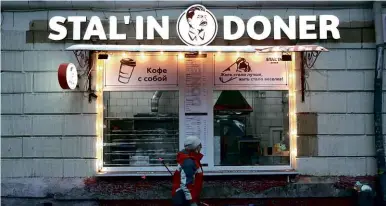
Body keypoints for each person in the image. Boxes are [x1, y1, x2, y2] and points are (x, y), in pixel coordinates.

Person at [172, 136, 204, 206]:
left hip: (187, 197)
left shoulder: (190, 159)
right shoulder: (188, 162)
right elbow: (185, 184)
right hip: (185, 200)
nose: (201, 147)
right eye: (199, 145)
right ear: (195, 147)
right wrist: (191, 201)